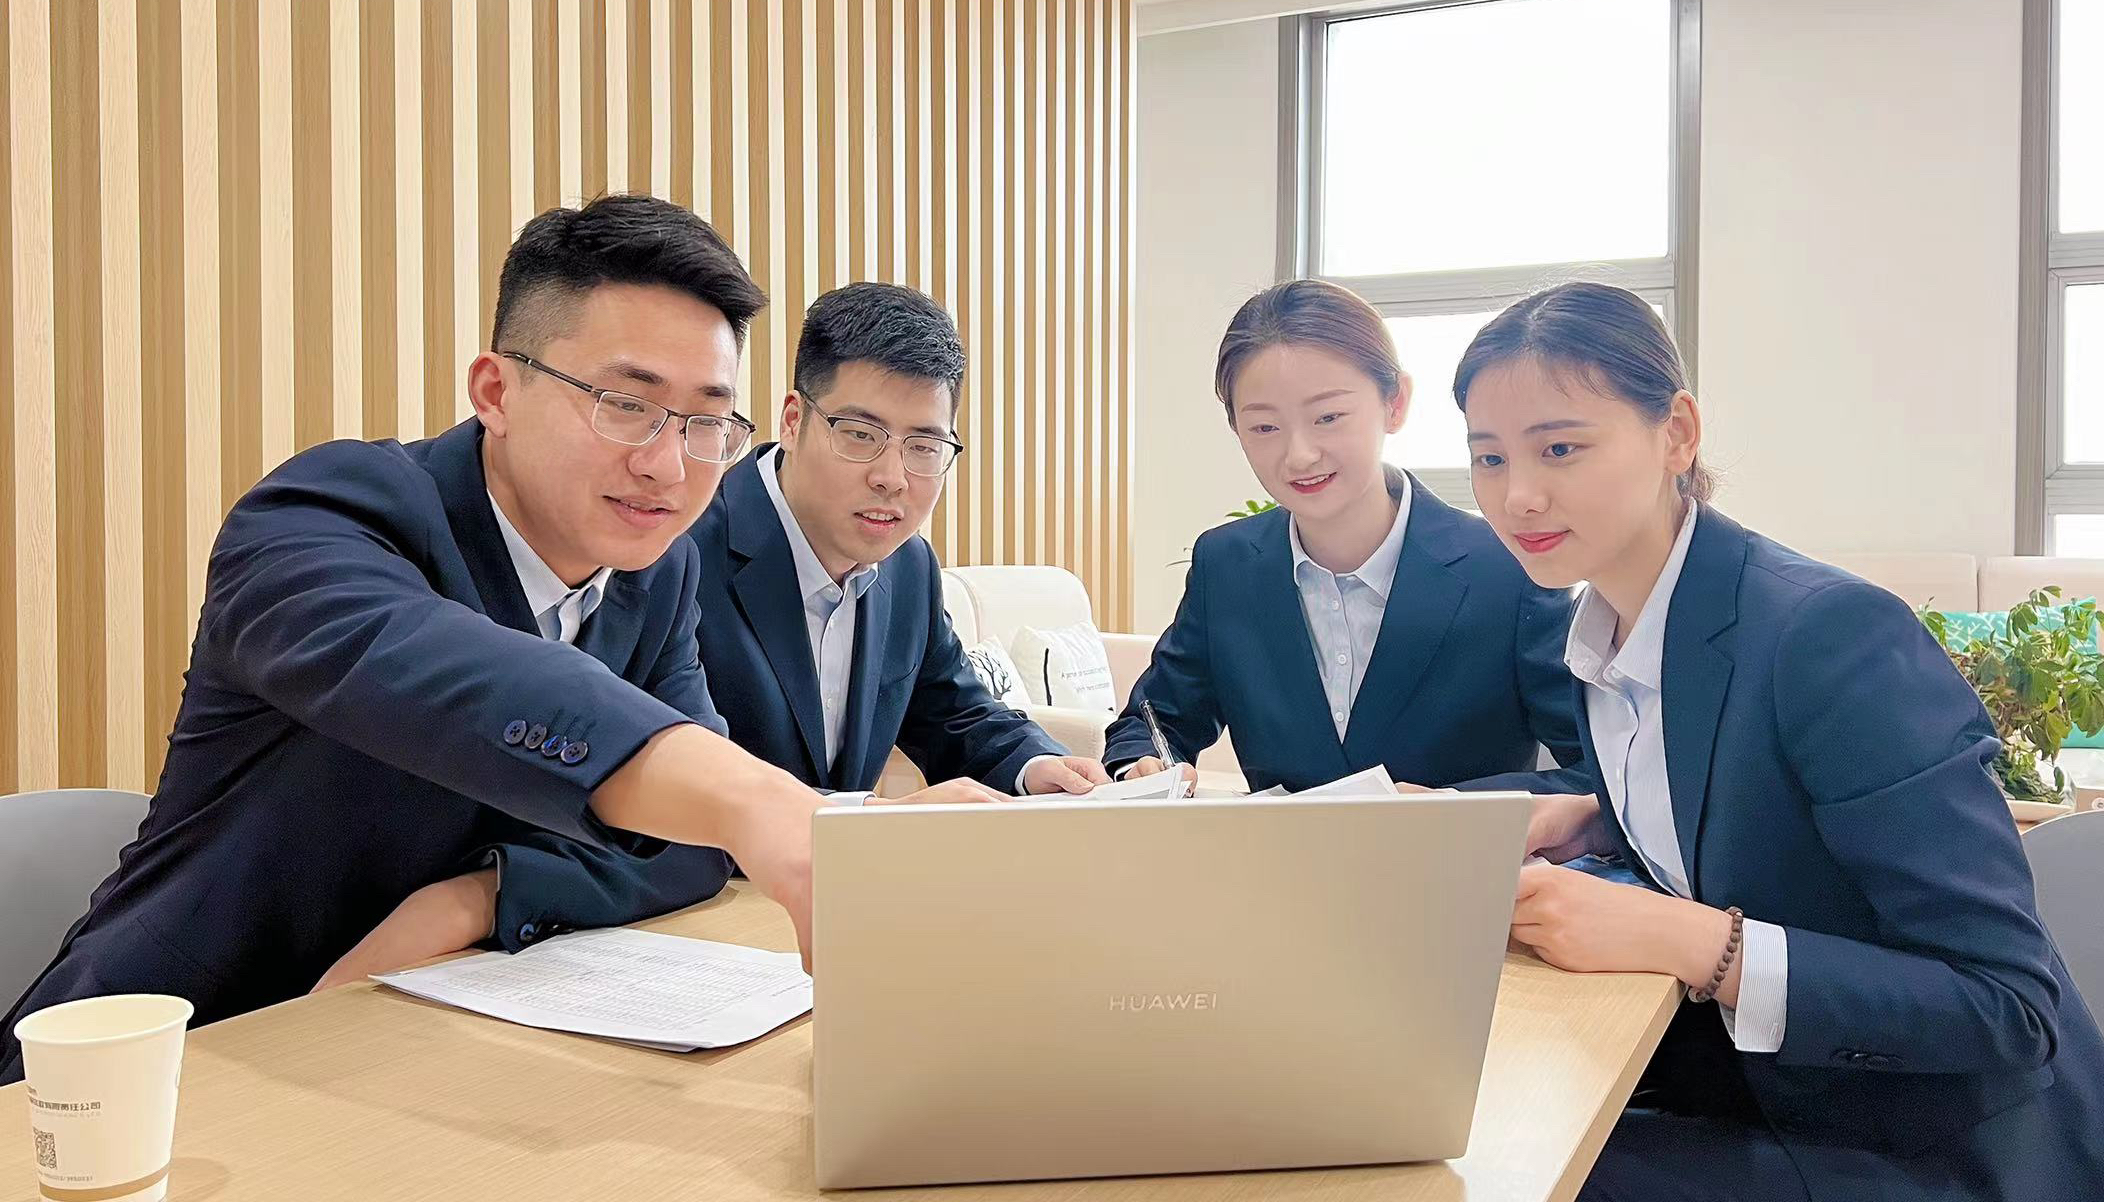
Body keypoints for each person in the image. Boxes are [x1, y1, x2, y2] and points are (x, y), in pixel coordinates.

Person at [0, 196, 837, 1084]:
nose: (667, 465)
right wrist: (751, 798)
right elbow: (455, 676)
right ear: (496, 392)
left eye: (706, 423)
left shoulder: (655, 575)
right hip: (172, 1054)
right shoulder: (326, 513)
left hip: (419, 1054)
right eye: (626, 404)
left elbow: (687, 845)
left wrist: (479, 899)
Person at [1461, 281, 2104, 1201]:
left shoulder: (1828, 635)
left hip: (1932, 1146)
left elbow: (2005, 1006)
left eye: (1560, 447)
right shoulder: (1606, 633)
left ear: (1677, 433)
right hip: (1760, 1087)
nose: (1518, 496)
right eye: (1488, 458)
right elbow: (1754, 817)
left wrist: (1702, 943)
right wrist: (1606, 819)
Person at [337, 283, 1109, 964]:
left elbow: (952, 709)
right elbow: (622, 785)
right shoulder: (670, 548)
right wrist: (854, 822)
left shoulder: (907, 567)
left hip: (786, 926)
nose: (891, 476)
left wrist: (1038, 770)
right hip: (655, 932)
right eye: (860, 434)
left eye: (924, 446)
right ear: (794, 420)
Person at [1102, 279, 1582, 792]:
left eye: (1328, 417)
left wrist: (1450, 807)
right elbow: (1153, 721)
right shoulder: (1226, 564)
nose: (1299, 455)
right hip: (1275, 846)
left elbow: (1597, 772)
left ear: (1395, 403)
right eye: (1265, 428)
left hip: (1460, 848)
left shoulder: (1507, 565)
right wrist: (1144, 765)